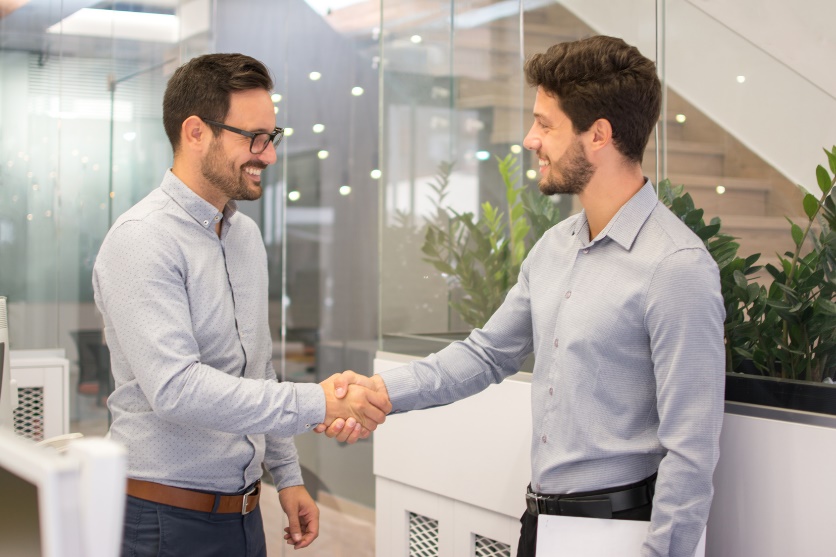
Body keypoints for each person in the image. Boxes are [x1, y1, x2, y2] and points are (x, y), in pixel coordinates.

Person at [321, 36, 725, 557]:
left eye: (546, 123)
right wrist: (379, 391)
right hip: (539, 524)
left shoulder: (676, 266)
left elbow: (691, 450)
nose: (531, 139)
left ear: (599, 134)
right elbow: (486, 354)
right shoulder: (554, 248)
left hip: (622, 534)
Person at [92, 53, 390, 557]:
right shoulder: (141, 240)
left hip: (243, 513)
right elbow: (177, 389)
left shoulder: (245, 237)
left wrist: (288, 475)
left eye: (271, 138)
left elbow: (256, 371)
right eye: (254, 138)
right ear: (195, 133)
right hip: (163, 521)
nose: (268, 156)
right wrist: (318, 402)